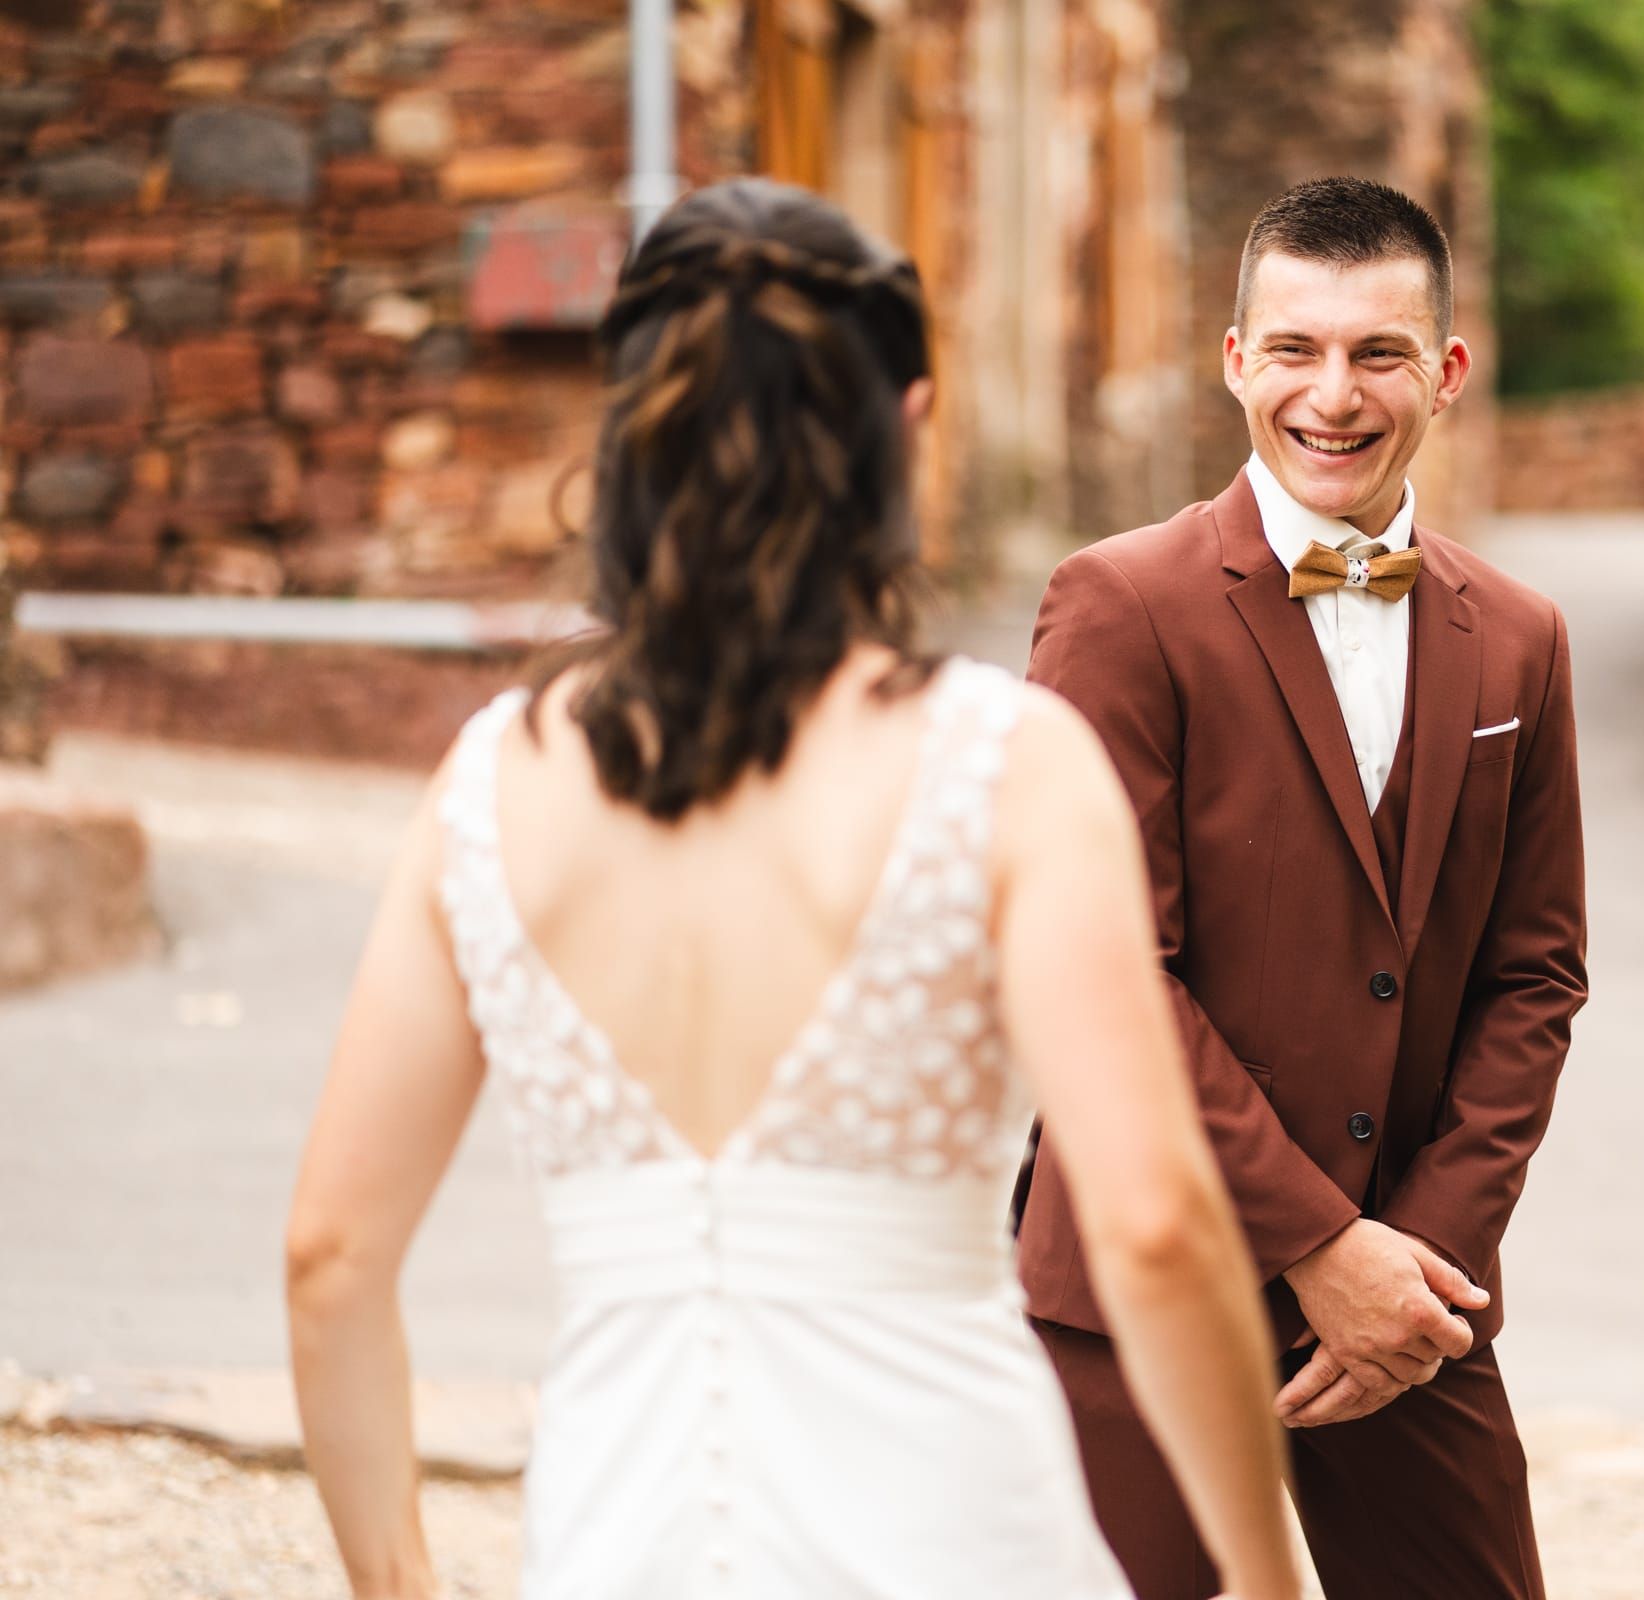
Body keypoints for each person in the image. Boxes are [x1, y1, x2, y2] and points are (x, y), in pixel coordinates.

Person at [283, 178, 1302, 1600]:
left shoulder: (486, 786)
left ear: (633, 431)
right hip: (951, 1533)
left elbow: (332, 1256)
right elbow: (1155, 1226)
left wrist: (396, 1585)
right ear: (908, 426)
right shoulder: (1001, 762)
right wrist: (1265, 1578)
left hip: (617, 1546)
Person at [1016, 176, 1588, 1598]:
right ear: (1235, 362)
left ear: (1445, 373)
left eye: (1377, 353)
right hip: (1147, 1280)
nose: (1332, 395)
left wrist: (1419, 1260)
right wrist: (1316, 1243)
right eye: (1295, 350)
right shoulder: (1119, 605)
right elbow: (1103, 972)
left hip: (1414, 1290)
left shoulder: (1518, 639)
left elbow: (1535, 973)